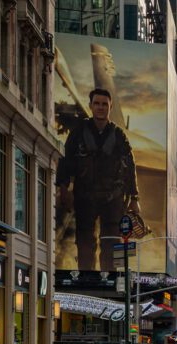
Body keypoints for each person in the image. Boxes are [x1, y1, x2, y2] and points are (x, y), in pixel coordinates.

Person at [56, 88, 141, 272]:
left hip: (113, 198)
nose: (100, 107)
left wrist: (134, 198)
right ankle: (86, 278)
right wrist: (63, 189)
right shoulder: (79, 133)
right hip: (85, 197)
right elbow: (66, 160)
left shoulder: (119, 136)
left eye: (104, 104)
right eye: (97, 103)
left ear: (110, 107)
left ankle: (111, 279)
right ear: (91, 106)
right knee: (85, 242)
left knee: (112, 242)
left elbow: (130, 166)